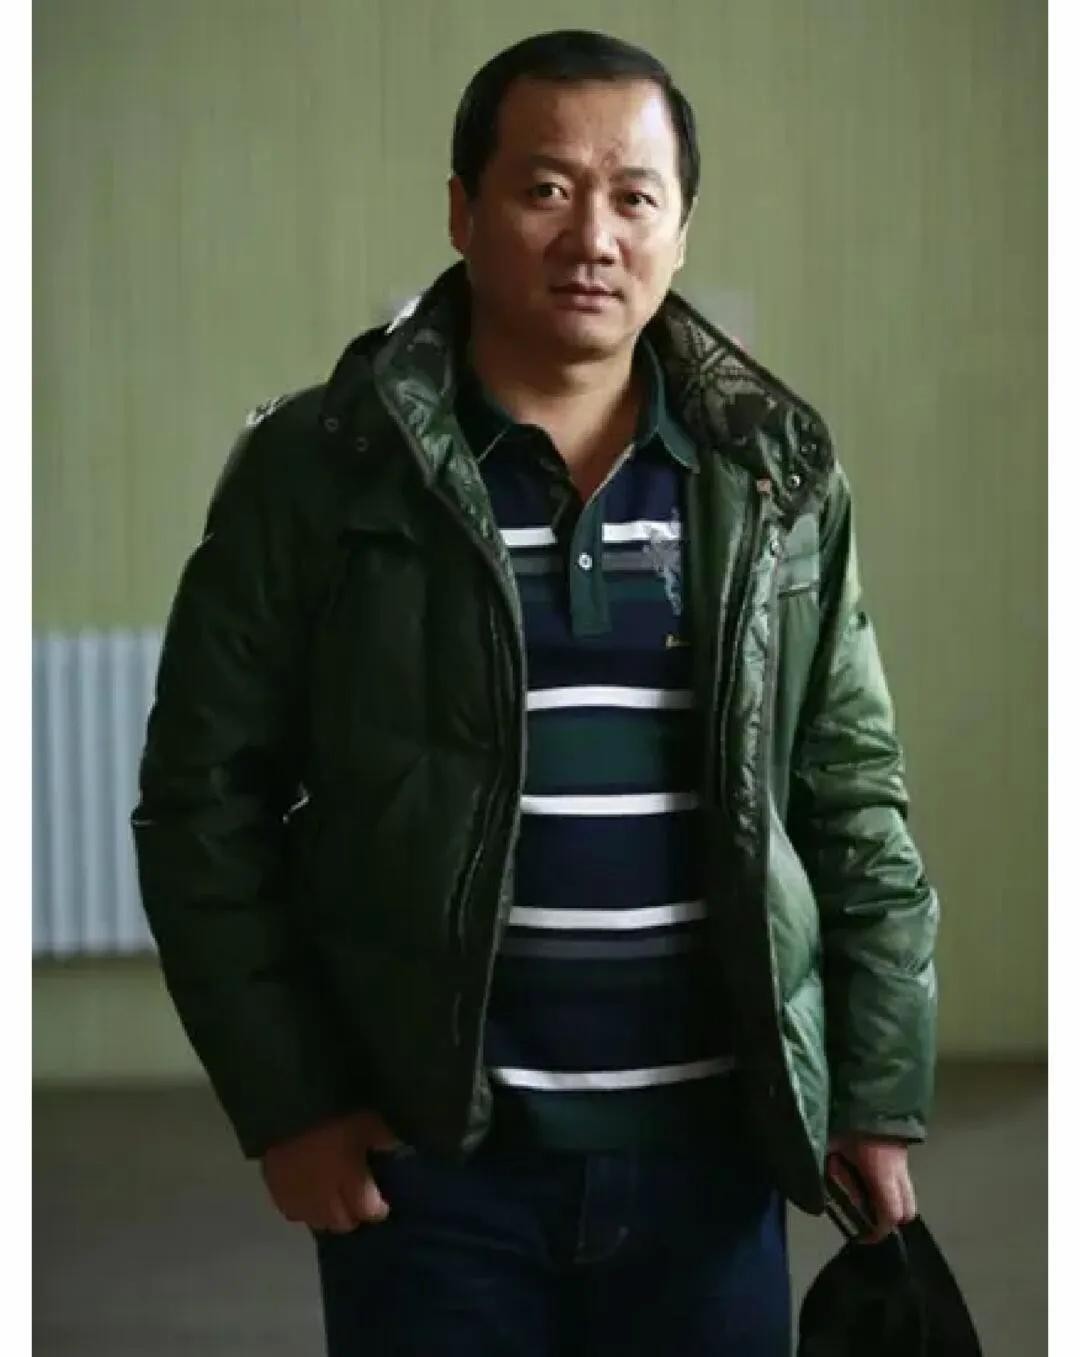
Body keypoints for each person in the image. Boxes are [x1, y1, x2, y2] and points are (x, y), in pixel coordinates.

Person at [132, 29, 938, 1357]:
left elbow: (850, 794)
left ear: (681, 226)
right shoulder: (323, 471)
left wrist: (876, 1091)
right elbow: (200, 803)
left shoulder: (774, 475)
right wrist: (292, 1104)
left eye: (635, 196)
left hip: (712, 1164)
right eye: (546, 189)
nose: (594, 237)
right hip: (433, 1172)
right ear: (462, 210)